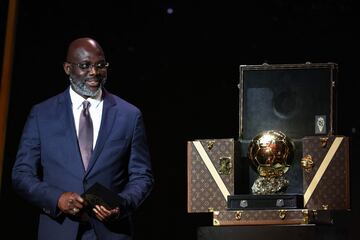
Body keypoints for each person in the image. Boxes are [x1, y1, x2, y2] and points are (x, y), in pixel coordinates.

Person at [12, 37, 154, 240]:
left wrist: (121, 204)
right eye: (85, 66)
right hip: (58, 229)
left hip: (111, 232)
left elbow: (142, 176)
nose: (94, 73)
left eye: (100, 65)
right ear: (67, 68)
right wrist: (57, 198)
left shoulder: (129, 115)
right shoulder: (42, 114)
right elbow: (21, 174)